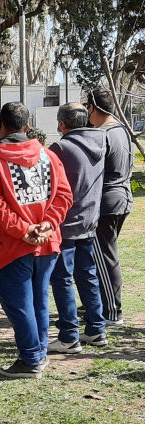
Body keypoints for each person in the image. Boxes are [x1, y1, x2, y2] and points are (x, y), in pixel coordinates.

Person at [0, 102, 72, 379]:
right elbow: (64, 196)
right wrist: (47, 224)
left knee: (19, 302)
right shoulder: (47, 155)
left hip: (13, 245)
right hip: (47, 241)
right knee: (39, 300)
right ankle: (39, 353)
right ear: (27, 127)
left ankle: (30, 358)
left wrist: (24, 231)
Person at [48, 103, 108, 353]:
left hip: (64, 222)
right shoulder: (101, 142)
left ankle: (69, 336)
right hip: (89, 219)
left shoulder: (60, 147)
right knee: (87, 275)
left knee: (61, 278)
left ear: (62, 124)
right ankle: (96, 329)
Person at [86, 88, 134, 326]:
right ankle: (98, 303)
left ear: (94, 108)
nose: (87, 113)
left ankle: (112, 312)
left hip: (107, 202)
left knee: (105, 258)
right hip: (123, 197)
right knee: (103, 257)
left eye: (88, 107)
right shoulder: (123, 131)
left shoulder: (102, 134)